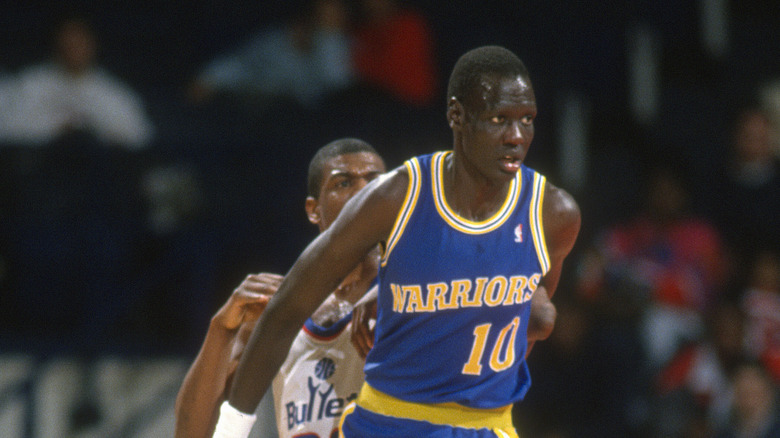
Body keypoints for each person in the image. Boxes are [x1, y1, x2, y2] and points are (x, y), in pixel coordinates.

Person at [212, 45, 581, 438]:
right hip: (388, 423)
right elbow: (287, 308)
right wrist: (230, 430)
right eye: (499, 119)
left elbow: (536, 307)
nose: (516, 136)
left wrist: (528, 311)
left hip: (486, 426)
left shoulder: (554, 214)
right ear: (457, 116)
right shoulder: (398, 196)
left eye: (527, 120)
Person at [175, 138, 386, 438]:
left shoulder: (413, 288)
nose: (364, 191)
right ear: (313, 210)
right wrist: (221, 329)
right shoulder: (282, 308)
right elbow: (190, 433)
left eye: (375, 181)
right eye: (344, 183)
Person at [0, 15, 154, 149]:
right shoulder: (28, 84)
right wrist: (56, 129)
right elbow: (7, 130)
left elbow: (140, 137)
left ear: (92, 43)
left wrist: (92, 133)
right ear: (57, 42)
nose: (73, 48)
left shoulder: (114, 92)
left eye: (80, 41)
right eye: (68, 41)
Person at [187, 0, 352, 110]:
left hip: (312, 119)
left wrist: (327, 37)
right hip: (261, 109)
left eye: (331, 16)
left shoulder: (343, 46)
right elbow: (242, 62)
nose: (326, 19)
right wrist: (209, 78)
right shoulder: (277, 39)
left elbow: (334, 84)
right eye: (320, 14)